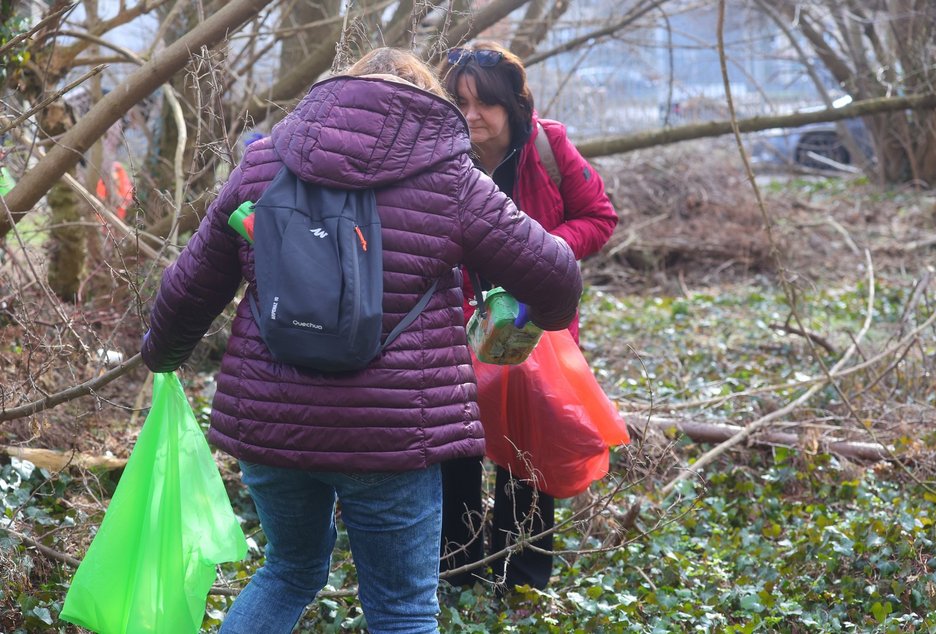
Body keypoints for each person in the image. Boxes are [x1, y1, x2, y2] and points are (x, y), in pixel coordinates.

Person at [140, 47, 582, 633]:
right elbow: (556, 276)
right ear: (425, 101)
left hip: (271, 424)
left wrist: (161, 355)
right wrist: (540, 318)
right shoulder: (452, 178)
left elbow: (187, 287)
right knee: (401, 610)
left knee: (289, 572)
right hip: (392, 434)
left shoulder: (262, 165)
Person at [437, 41, 619, 591]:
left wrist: (540, 253)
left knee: (527, 453)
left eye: (484, 104)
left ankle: (523, 581)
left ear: (513, 105)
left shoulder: (548, 145)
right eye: (460, 103)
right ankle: (458, 574)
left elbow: (599, 217)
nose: (472, 117)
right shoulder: (440, 154)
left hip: (536, 333)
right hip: (458, 330)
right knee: (459, 452)